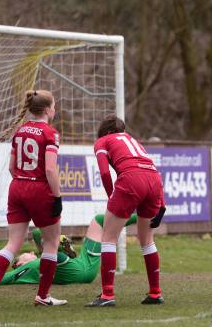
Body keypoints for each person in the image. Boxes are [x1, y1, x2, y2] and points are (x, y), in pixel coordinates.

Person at [0, 90, 64, 308]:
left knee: (13, 242)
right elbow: (50, 169)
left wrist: (23, 185)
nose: (55, 110)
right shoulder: (50, 133)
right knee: (51, 242)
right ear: (47, 110)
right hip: (39, 189)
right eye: (54, 106)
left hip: (17, 186)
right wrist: (56, 196)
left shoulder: (19, 131)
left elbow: (11, 166)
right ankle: (43, 296)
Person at [86, 115, 165, 307]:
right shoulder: (133, 140)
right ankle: (155, 293)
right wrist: (162, 206)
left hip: (131, 179)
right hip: (154, 181)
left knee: (108, 238)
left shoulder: (102, 141)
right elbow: (151, 168)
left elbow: (105, 172)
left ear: (104, 132)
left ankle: (107, 295)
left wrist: (111, 195)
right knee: (147, 240)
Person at [0, 214, 137, 286]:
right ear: (19, 262)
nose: (31, 253)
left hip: (80, 265)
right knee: (97, 221)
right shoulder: (24, 270)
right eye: (27, 253)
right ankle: (143, 215)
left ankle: (61, 248)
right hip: (80, 268)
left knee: (37, 233)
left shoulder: (31, 267)